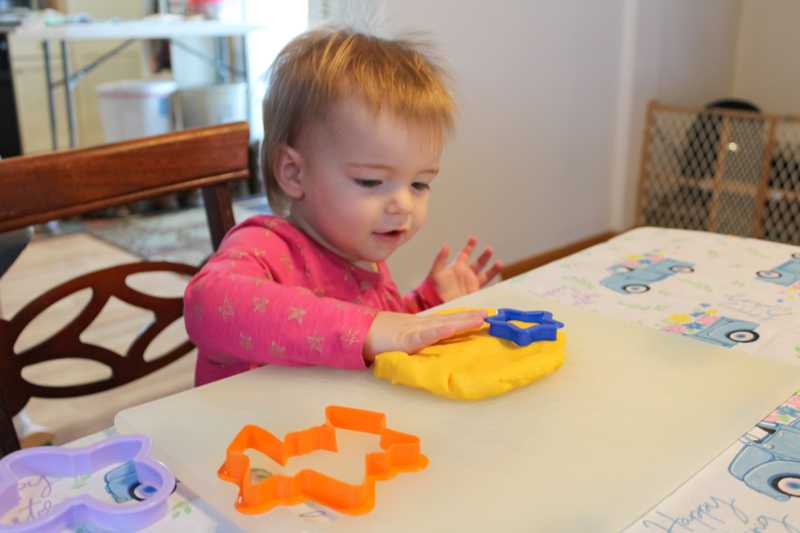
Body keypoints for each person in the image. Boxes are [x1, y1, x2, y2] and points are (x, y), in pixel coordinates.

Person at [184, 26, 502, 386]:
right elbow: (207, 306)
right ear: (293, 172)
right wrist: (369, 329)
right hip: (244, 435)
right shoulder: (266, 248)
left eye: (419, 184)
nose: (402, 204)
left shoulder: (362, 256)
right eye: (370, 181)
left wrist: (426, 306)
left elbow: (380, 339)